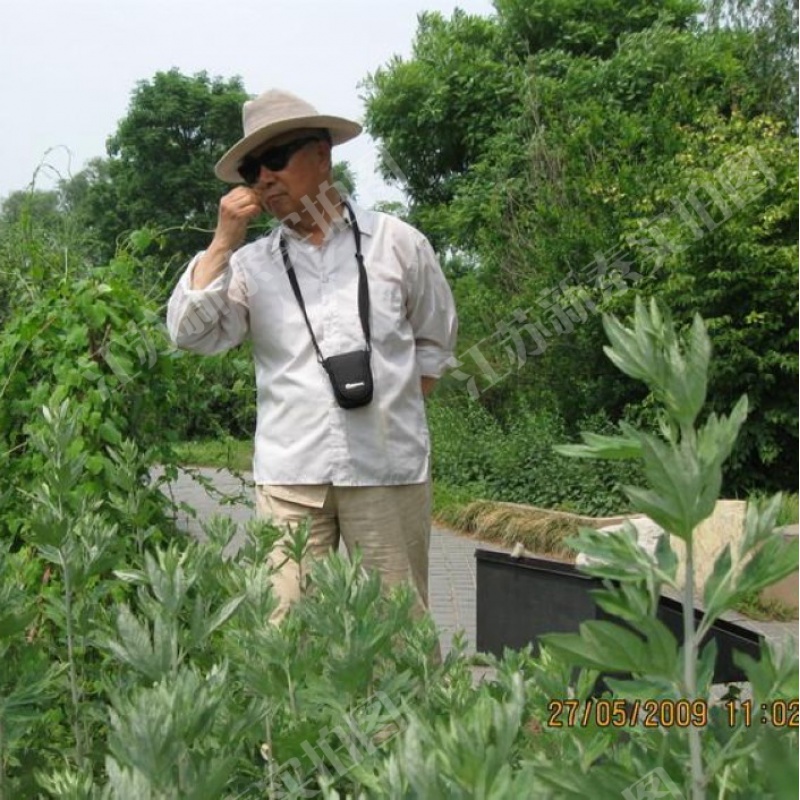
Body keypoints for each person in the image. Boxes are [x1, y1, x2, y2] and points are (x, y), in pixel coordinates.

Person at [167, 88, 458, 624]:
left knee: (399, 635)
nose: (263, 178)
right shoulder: (251, 265)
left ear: (322, 155)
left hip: (386, 473)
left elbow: (435, 342)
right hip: (290, 479)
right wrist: (221, 244)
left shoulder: (397, 244)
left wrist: (392, 410)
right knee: (283, 639)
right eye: (252, 168)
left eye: (275, 159)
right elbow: (191, 335)